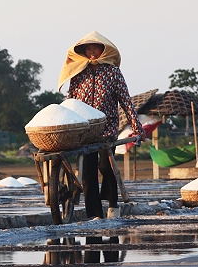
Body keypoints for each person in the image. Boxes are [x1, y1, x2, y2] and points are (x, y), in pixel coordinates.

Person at [57, 31, 144, 219]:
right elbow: (71, 101)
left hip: (107, 128)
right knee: (87, 172)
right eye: (88, 49)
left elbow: (126, 101)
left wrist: (137, 128)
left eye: (95, 48)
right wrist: (66, 124)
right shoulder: (79, 74)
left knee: (106, 166)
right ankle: (93, 213)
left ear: (103, 50)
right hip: (86, 129)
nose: (92, 52)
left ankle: (112, 203)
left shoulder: (113, 72)